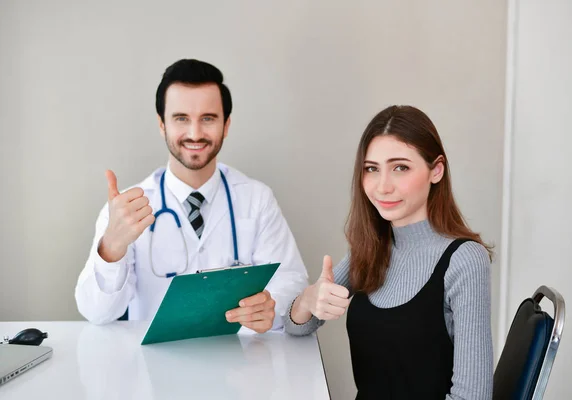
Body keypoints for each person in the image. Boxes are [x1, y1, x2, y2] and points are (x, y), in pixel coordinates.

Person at [75, 59, 309, 334]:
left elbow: (292, 282)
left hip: (239, 365)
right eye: (181, 118)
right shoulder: (126, 209)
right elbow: (97, 313)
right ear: (162, 124)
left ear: (226, 125)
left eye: (208, 118)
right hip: (155, 369)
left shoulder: (256, 199)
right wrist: (111, 247)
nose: (195, 133)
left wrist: (271, 304)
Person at [285, 105, 493, 399]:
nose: (382, 186)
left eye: (400, 168)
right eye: (372, 169)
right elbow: (296, 327)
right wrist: (309, 298)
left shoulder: (464, 260)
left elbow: (473, 396)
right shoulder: (370, 249)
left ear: (436, 171)